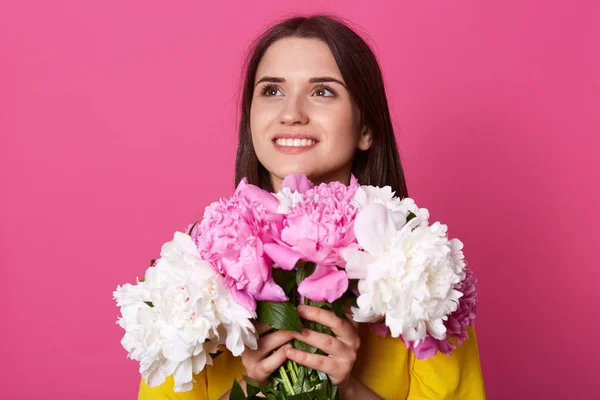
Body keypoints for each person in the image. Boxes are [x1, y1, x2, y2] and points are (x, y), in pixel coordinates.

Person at [138, 14, 486, 400]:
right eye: (271, 91)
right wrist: (252, 387)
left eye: (322, 91)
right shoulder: (191, 272)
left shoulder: (424, 273)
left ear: (366, 128)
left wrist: (350, 391)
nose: (291, 113)